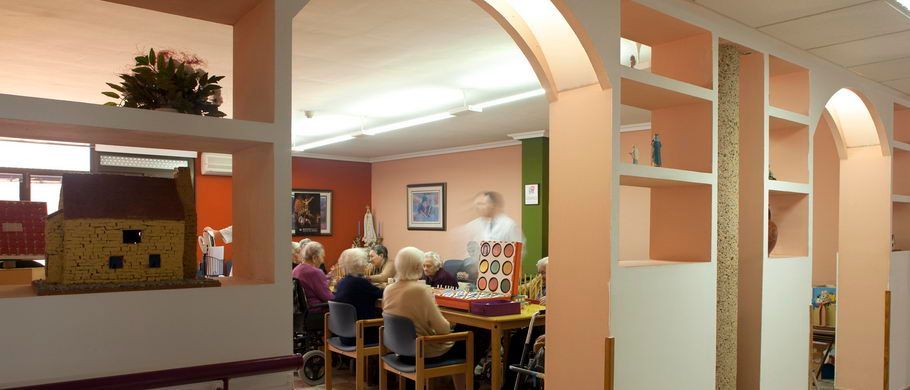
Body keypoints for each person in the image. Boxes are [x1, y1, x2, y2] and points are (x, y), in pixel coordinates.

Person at [382, 247, 469, 390]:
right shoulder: (421, 290)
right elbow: (443, 329)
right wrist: (452, 325)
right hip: (424, 352)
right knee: (471, 336)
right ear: (418, 266)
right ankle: (467, 384)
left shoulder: (388, 289)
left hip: (398, 349)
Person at [333, 248, 383, 346]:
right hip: (362, 334)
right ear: (360, 264)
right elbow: (381, 294)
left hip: (344, 334)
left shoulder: (342, 283)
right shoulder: (360, 282)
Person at [292, 241, 333, 311]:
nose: (322, 261)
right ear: (314, 258)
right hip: (316, 312)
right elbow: (329, 298)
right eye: (322, 257)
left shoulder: (296, 269)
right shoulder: (315, 272)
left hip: (302, 313)